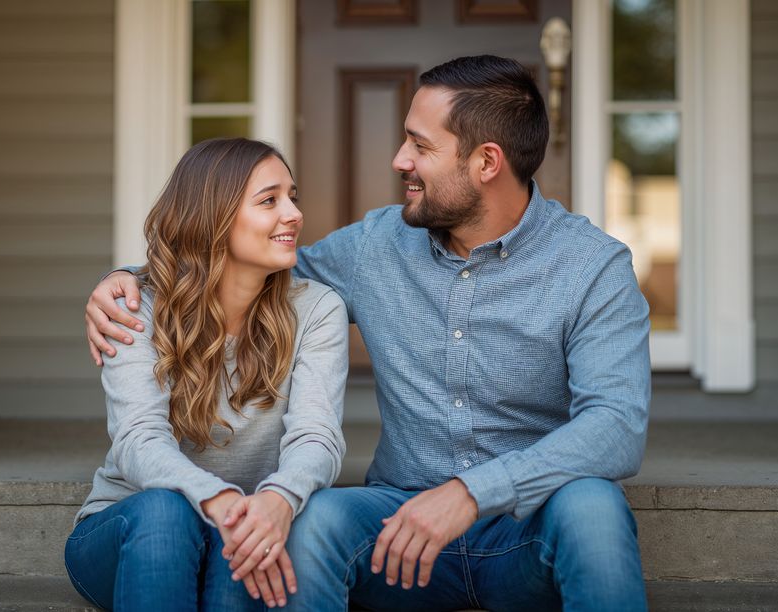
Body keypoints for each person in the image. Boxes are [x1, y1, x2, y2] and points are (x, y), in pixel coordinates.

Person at [86, 55, 650, 611]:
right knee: (318, 520)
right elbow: (242, 268)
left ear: (486, 162)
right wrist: (127, 281)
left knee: (594, 507)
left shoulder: (591, 266)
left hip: (529, 528)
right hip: (396, 528)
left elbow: (617, 426)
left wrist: (472, 493)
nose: (399, 159)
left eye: (421, 146)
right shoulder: (376, 245)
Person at [66, 138, 348, 611]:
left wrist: (276, 499)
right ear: (213, 217)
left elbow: (317, 437)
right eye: (269, 200)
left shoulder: (318, 311)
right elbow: (138, 440)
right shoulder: (136, 308)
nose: (295, 213)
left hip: (242, 532)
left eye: (292, 196)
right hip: (131, 532)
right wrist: (219, 500)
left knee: (241, 540)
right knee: (166, 510)